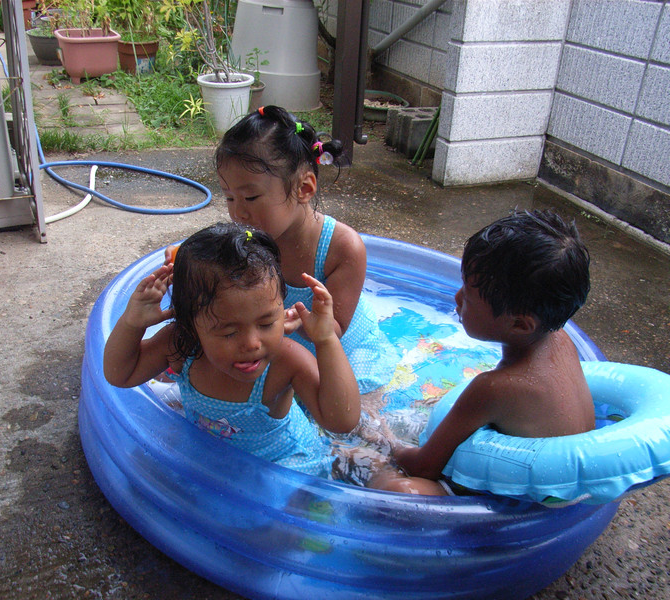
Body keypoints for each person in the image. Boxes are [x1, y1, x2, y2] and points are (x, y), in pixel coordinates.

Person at [103, 222, 360, 476]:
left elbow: (341, 421)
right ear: (191, 324)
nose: (252, 343)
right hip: (212, 451)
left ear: (283, 310)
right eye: (229, 332)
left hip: (280, 462)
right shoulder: (182, 344)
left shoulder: (286, 361)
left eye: (266, 323)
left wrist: (326, 340)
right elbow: (120, 375)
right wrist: (132, 323)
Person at [370, 209, 596, 495]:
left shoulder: (494, 388)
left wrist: (384, 438)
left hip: (511, 501)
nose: (456, 297)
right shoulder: (561, 340)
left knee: (389, 483)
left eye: (468, 297)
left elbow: (423, 468)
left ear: (520, 324)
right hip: (558, 483)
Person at [214, 105, 399, 400]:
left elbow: (334, 329)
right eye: (229, 198)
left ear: (304, 188)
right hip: (284, 346)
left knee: (355, 416)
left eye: (250, 197)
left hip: (343, 350)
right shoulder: (247, 239)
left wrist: (301, 320)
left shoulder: (341, 248)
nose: (238, 213)